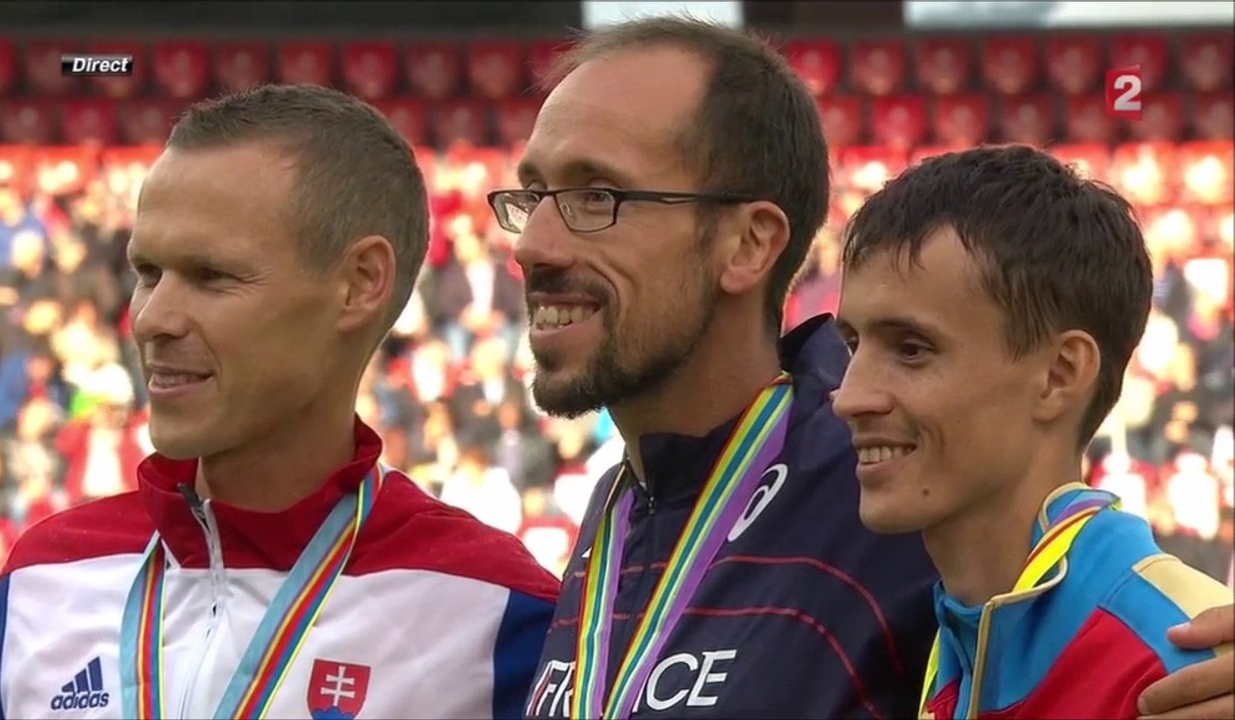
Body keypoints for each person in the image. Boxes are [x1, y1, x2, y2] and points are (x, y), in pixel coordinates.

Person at [484, 16, 1235, 720]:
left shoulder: (881, 492)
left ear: (750, 244)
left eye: (599, 196)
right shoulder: (623, 510)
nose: (534, 243)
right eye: (534, 194)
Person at [0, 84, 559, 720]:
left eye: (211, 276)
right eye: (147, 273)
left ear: (359, 284)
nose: (152, 319)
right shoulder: (46, 576)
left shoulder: (497, 611)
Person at [831, 145, 1233, 719]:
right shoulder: (953, 643)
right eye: (853, 345)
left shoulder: (1184, 665)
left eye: (911, 349)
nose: (849, 396)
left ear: (1058, 375)